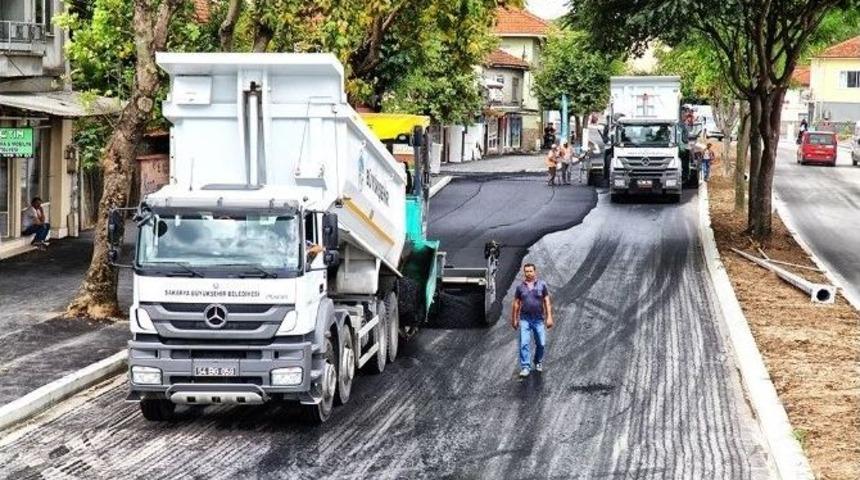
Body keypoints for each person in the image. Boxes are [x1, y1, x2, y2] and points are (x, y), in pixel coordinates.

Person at [511, 263, 553, 378]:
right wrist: (514, 319)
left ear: (535, 272)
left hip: (538, 319)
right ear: (524, 273)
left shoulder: (542, 285)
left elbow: (547, 301)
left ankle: (538, 361)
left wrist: (549, 317)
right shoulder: (520, 287)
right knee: (524, 343)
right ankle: (525, 366)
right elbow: (516, 304)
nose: (528, 273)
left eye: (530, 271)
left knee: (541, 343)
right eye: (526, 271)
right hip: (525, 319)